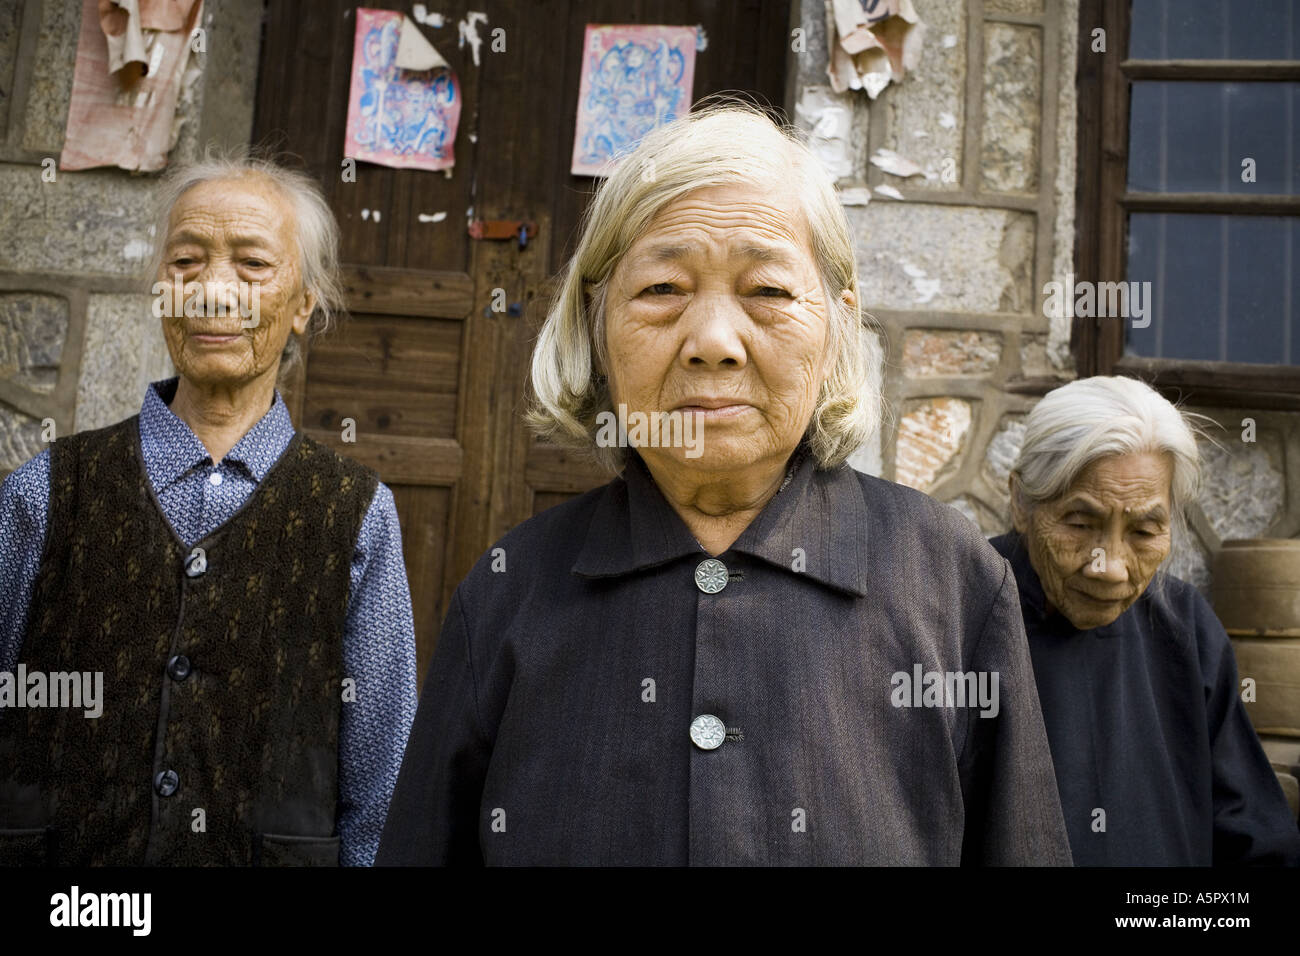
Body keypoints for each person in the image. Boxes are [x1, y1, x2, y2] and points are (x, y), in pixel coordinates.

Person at [377, 105, 1071, 866]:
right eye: (663, 288)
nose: (712, 342)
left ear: (838, 325)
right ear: (596, 323)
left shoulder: (951, 578)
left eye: (767, 291)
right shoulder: (510, 593)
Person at [0, 153, 418, 866]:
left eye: (253, 264)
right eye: (187, 261)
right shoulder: (45, 492)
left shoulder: (355, 516)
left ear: (304, 303)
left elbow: (381, 779)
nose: (214, 292)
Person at [991, 375, 1300, 865]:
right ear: (1022, 503)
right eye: (1080, 523)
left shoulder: (1185, 627)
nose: (1109, 566)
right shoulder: (960, 613)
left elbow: (1254, 835)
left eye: (1143, 531)